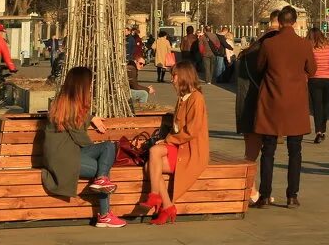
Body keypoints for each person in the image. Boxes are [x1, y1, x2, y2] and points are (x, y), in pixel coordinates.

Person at [40, 66, 127, 228]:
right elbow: (81, 139)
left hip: (65, 155)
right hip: (65, 161)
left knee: (109, 147)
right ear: (82, 86)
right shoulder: (71, 107)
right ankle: (104, 215)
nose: (91, 87)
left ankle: (104, 204)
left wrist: (92, 118)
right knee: (105, 167)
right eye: (90, 84)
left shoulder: (62, 103)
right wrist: (98, 153)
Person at [253, 6, 316, 208]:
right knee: (295, 151)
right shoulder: (304, 44)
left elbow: (259, 67)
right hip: (295, 103)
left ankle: (264, 195)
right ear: (295, 22)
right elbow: (312, 70)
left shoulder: (269, 44)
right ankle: (292, 195)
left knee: (268, 150)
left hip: (271, 101)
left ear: (279, 22)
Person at [142, 61, 209, 225]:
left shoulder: (196, 99)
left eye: (174, 76)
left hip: (191, 150)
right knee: (149, 165)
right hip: (179, 146)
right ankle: (167, 206)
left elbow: (191, 132)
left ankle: (155, 196)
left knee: (154, 153)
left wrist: (167, 140)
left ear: (184, 76)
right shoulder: (182, 98)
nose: (172, 80)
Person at [236, 11, 281, 204]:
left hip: (245, 104)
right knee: (259, 151)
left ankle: (251, 189)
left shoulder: (251, 49)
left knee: (251, 151)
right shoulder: (268, 48)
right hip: (259, 105)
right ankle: (252, 190)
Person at [308, 27, 329, 144]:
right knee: (324, 105)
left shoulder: (310, 47)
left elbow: (306, 63)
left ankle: (318, 131)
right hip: (327, 80)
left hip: (313, 80)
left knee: (316, 106)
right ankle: (323, 131)